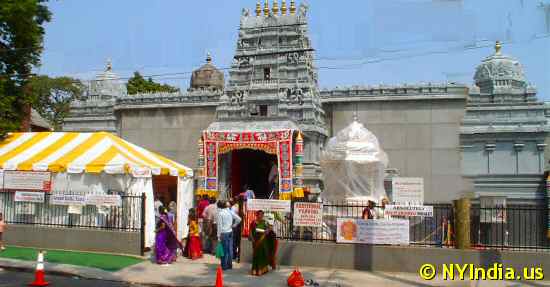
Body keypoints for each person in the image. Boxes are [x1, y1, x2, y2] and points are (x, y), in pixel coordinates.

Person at [249, 210, 277, 276]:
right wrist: (252, 238)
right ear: (256, 215)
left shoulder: (265, 222)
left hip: (263, 242)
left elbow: (270, 228)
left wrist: (267, 231)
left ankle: (261, 269)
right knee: (255, 255)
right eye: (259, 215)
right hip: (255, 241)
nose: (260, 216)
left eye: (262, 215)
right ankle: (255, 269)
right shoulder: (253, 223)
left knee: (262, 255)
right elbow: (250, 231)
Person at [216, 200, 241, 270]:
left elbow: (219, 226)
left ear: (220, 206)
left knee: (224, 250)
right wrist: (233, 225)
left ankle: (224, 265)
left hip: (224, 233)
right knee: (230, 249)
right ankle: (229, 265)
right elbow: (239, 219)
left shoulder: (220, 213)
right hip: (230, 231)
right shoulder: (230, 211)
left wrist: (218, 236)